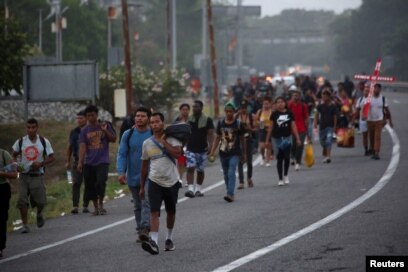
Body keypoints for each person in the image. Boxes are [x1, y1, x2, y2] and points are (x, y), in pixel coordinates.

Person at [139, 112, 182, 255]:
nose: (155, 125)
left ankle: (169, 239)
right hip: (154, 181)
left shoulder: (173, 138)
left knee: (171, 211)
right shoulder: (147, 143)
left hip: (171, 181)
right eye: (152, 122)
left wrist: (164, 143)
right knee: (154, 212)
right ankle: (154, 242)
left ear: (163, 123)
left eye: (157, 122)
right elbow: (144, 166)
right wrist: (141, 186)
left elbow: (177, 154)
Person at [12, 118, 55, 233]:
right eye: (28, 128)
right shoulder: (20, 141)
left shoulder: (43, 141)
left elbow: (52, 157)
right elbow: (14, 155)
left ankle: (39, 213)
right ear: (26, 128)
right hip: (23, 175)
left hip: (37, 175)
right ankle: (25, 225)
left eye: (33, 127)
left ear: (37, 128)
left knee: (41, 201)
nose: (30, 130)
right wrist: (16, 165)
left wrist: (41, 163)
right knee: (22, 200)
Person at [117, 107, 152, 243]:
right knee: (137, 205)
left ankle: (145, 228)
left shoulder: (152, 133)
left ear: (148, 118)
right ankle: (140, 230)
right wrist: (121, 172)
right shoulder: (128, 134)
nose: (139, 118)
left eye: (143, 116)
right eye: (137, 116)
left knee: (146, 201)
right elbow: (122, 154)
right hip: (133, 175)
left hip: (150, 175)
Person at [77, 105, 117, 216]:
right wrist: (80, 162)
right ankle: (95, 207)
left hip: (102, 161)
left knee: (100, 182)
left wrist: (105, 131)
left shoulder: (105, 125)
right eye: (88, 116)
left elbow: (113, 139)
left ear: (97, 115)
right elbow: (83, 146)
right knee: (90, 185)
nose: (90, 118)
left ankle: (101, 204)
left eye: (92, 115)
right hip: (89, 162)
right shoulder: (84, 131)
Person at [209, 102, 246, 202]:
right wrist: (212, 152)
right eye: (227, 111)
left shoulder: (238, 124)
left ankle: (230, 194)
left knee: (231, 171)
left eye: (231, 111)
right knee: (225, 174)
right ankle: (228, 190)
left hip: (235, 152)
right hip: (223, 153)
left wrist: (244, 154)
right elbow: (217, 138)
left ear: (234, 112)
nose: (229, 113)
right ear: (225, 112)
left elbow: (242, 139)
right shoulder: (221, 123)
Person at [266, 97, 301, 186]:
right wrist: (267, 140)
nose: (280, 104)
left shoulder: (290, 113)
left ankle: (286, 175)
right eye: (278, 102)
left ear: (285, 103)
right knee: (279, 158)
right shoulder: (274, 114)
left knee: (286, 157)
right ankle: (280, 178)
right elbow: (271, 127)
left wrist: (297, 138)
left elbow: (293, 126)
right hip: (276, 138)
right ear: (276, 104)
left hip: (287, 138)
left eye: (282, 102)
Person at [185, 100, 214, 198]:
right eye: (193, 107)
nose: (194, 108)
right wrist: (182, 146)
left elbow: (210, 133)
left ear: (201, 108)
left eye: (196, 107)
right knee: (190, 167)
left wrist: (211, 145)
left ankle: (198, 189)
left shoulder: (207, 119)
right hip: (190, 148)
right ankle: (190, 190)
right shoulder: (189, 119)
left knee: (200, 170)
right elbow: (184, 133)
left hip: (202, 149)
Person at [66, 110, 89, 214]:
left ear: (86, 118)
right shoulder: (74, 132)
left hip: (89, 161)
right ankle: (75, 206)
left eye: (81, 118)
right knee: (76, 183)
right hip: (76, 161)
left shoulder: (90, 130)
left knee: (88, 183)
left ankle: (85, 205)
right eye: (78, 118)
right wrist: (68, 160)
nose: (79, 120)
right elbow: (70, 147)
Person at [366, 83, 393, 160]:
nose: (376, 90)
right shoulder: (369, 98)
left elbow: (387, 110)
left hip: (379, 120)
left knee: (377, 137)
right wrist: (363, 116)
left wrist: (390, 121)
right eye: (375, 88)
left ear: (380, 90)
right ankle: (373, 150)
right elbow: (364, 108)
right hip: (370, 120)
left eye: (378, 88)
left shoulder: (383, 98)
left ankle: (377, 152)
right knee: (371, 137)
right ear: (373, 89)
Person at [0, 148, 18, 258]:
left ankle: (0, 246)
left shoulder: (3, 154)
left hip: (2, 189)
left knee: (1, 218)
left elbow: (14, 174)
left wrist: (1, 173)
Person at [314, 89, 338, 163]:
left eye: (325, 96)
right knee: (322, 142)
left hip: (330, 126)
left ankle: (328, 157)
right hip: (322, 126)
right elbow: (317, 114)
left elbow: (335, 116)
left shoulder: (333, 106)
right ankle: (325, 153)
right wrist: (315, 123)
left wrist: (334, 125)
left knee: (328, 141)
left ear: (328, 97)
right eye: (322, 96)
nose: (323, 98)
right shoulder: (320, 106)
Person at [287, 88, 309, 171]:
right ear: (292, 96)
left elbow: (306, 118)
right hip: (291, 128)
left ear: (299, 96)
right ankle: (292, 156)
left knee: (300, 145)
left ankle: (298, 162)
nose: (295, 97)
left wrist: (307, 129)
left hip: (302, 128)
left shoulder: (303, 106)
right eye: (294, 95)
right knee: (293, 145)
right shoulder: (289, 105)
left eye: (297, 95)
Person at [236, 99, 255, 189]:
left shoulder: (251, 116)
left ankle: (249, 178)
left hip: (248, 139)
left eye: (245, 107)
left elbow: (256, 129)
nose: (243, 109)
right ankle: (241, 181)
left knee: (249, 161)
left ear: (247, 107)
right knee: (240, 161)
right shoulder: (236, 116)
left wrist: (249, 128)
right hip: (239, 140)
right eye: (241, 107)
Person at [174, 103, 190, 186]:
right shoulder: (177, 121)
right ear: (180, 111)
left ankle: (188, 180)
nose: (185, 111)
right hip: (181, 144)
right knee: (181, 162)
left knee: (189, 163)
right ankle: (180, 179)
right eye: (183, 109)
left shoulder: (191, 120)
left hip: (190, 144)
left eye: (186, 109)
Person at [256, 96, 273, 166]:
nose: (265, 105)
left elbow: (274, 122)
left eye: (267, 104)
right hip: (262, 129)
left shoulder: (272, 112)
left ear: (270, 104)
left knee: (268, 145)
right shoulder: (260, 111)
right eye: (264, 104)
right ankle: (263, 157)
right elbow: (256, 121)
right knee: (262, 146)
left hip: (270, 129)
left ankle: (267, 160)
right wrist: (261, 123)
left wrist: (270, 126)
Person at [354, 84, 370, 155]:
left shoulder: (372, 99)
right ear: (363, 92)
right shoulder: (360, 100)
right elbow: (357, 111)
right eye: (365, 91)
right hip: (363, 121)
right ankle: (366, 149)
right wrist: (354, 120)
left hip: (371, 120)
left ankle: (372, 149)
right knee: (365, 136)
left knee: (372, 135)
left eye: (368, 91)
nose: (366, 92)